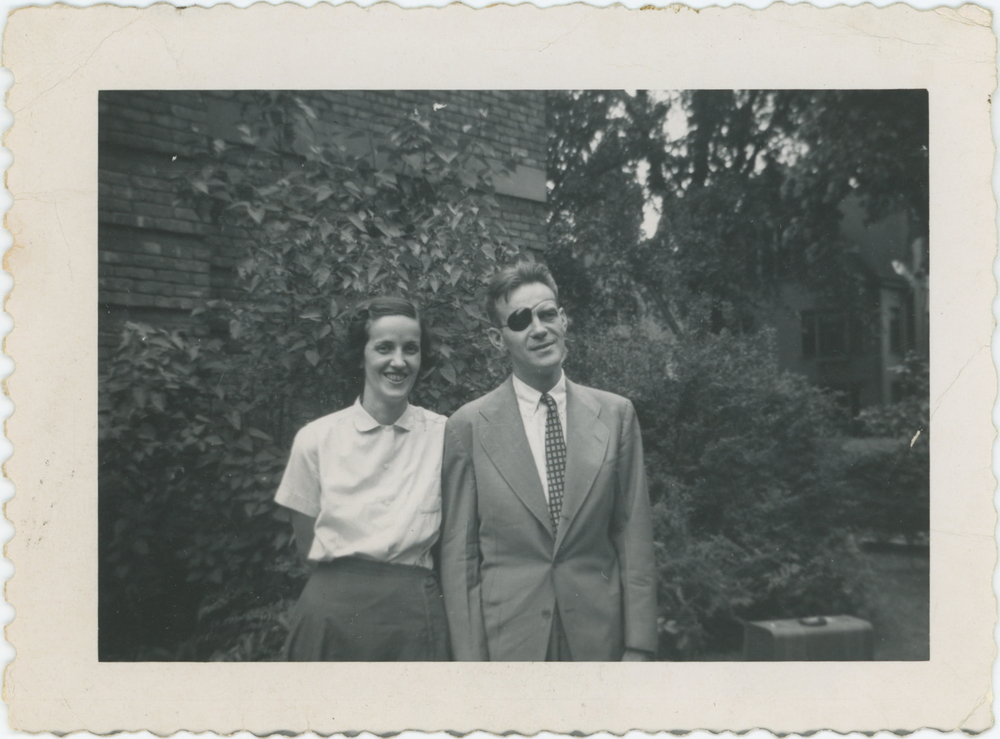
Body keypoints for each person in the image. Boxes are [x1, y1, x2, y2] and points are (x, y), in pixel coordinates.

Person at [440, 262, 657, 661]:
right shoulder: (467, 427)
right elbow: (460, 559)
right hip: (510, 646)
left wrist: (639, 645)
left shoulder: (615, 415)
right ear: (496, 338)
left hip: (599, 640)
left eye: (547, 313)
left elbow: (633, 536)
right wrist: (471, 667)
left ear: (564, 319)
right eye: (521, 320)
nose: (538, 328)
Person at [274, 297, 450, 661]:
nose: (398, 362)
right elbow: (307, 546)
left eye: (411, 349)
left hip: (413, 620)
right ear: (361, 355)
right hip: (332, 618)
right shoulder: (316, 439)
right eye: (384, 347)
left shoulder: (447, 436)